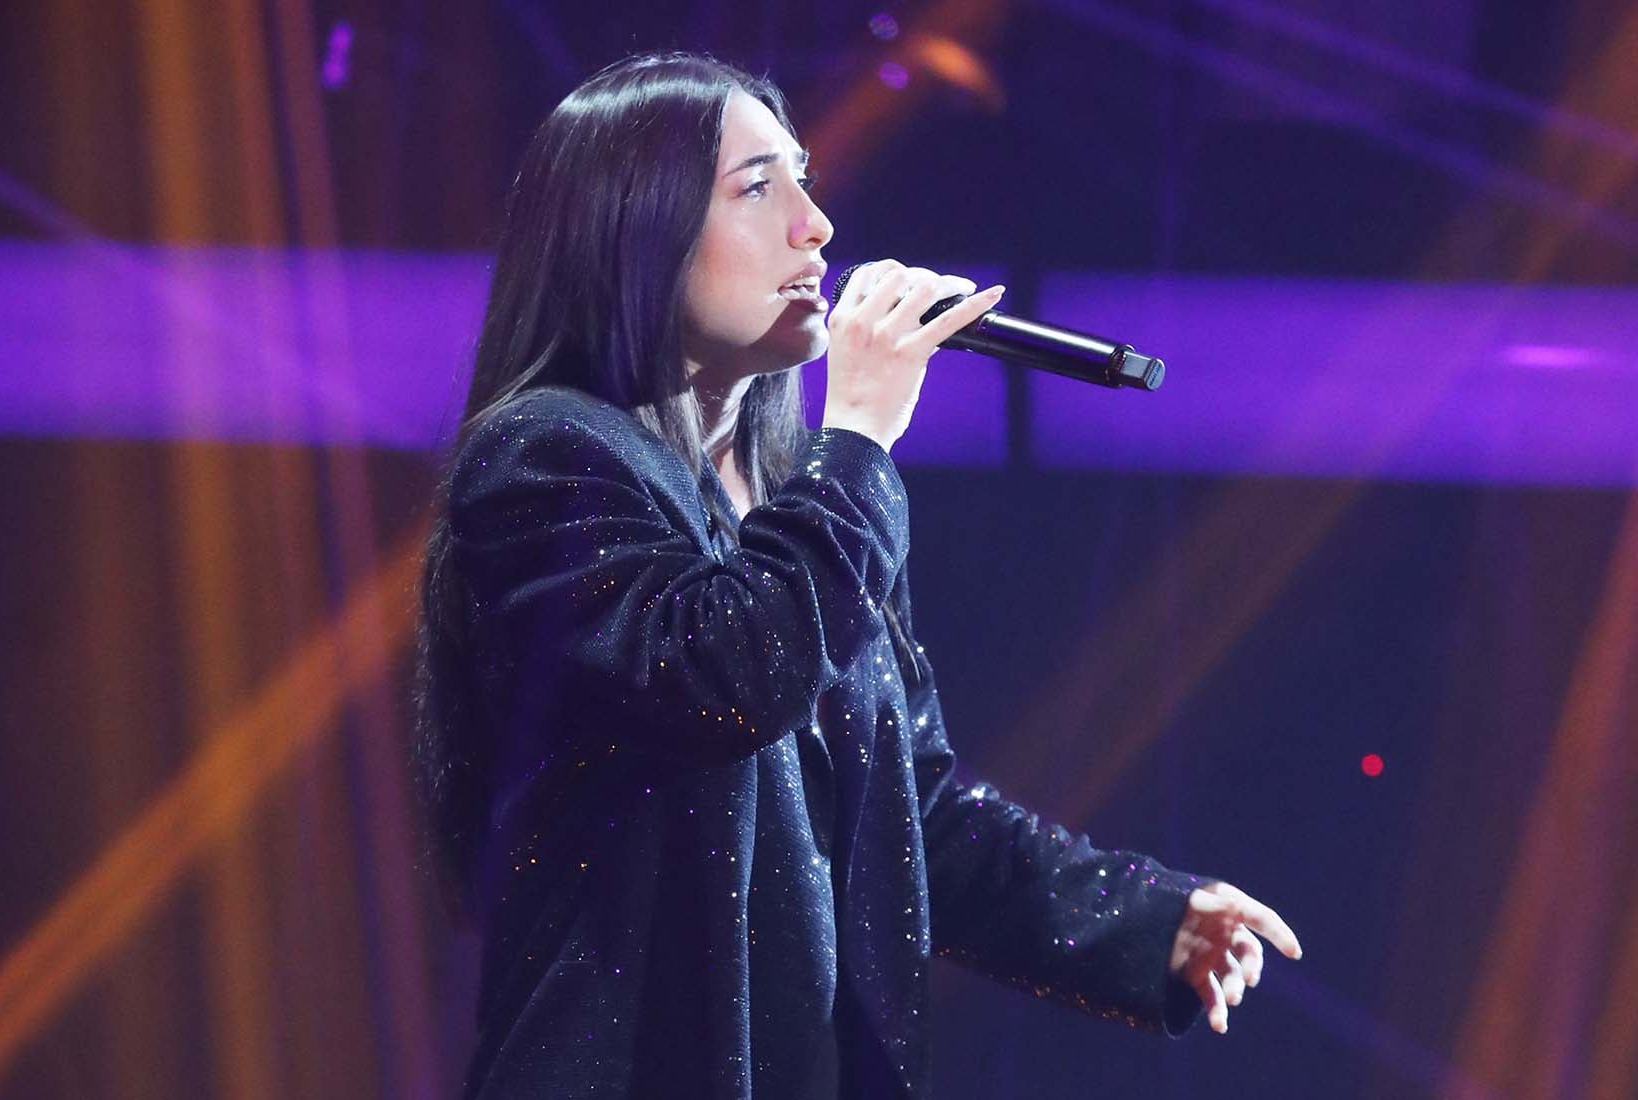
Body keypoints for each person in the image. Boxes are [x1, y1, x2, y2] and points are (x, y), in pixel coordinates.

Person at [413, 51, 1301, 1100]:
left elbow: (913, 815)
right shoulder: (543, 458)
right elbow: (722, 674)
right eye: (758, 188)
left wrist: (1145, 921)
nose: (816, 226)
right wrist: (862, 434)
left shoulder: (808, 497)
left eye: (805, 180)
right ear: (632, 226)